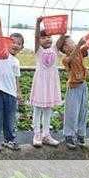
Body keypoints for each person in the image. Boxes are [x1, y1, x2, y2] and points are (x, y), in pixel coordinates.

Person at [0, 17, 24, 152]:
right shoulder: (3, 54)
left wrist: (18, 93)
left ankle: (9, 140)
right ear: (7, 43)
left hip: (11, 94)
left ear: (22, 47)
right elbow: (1, 40)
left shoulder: (16, 62)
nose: (15, 45)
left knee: (10, 118)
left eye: (18, 43)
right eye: (12, 42)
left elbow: (16, 78)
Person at [30, 17, 62, 147]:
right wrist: (38, 23)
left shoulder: (55, 49)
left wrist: (63, 31)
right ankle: (37, 134)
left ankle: (46, 134)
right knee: (37, 109)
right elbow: (36, 37)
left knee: (48, 109)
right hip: (40, 83)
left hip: (51, 83)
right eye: (44, 37)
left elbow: (62, 38)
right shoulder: (39, 50)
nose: (47, 39)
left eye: (49, 37)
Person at [58, 35, 89, 150]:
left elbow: (88, 46)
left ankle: (81, 134)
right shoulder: (65, 59)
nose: (74, 44)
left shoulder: (80, 52)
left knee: (83, 111)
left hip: (83, 86)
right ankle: (69, 135)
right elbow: (70, 59)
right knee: (72, 112)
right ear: (65, 49)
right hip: (73, 87)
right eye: (71, 43)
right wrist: (79, 45)